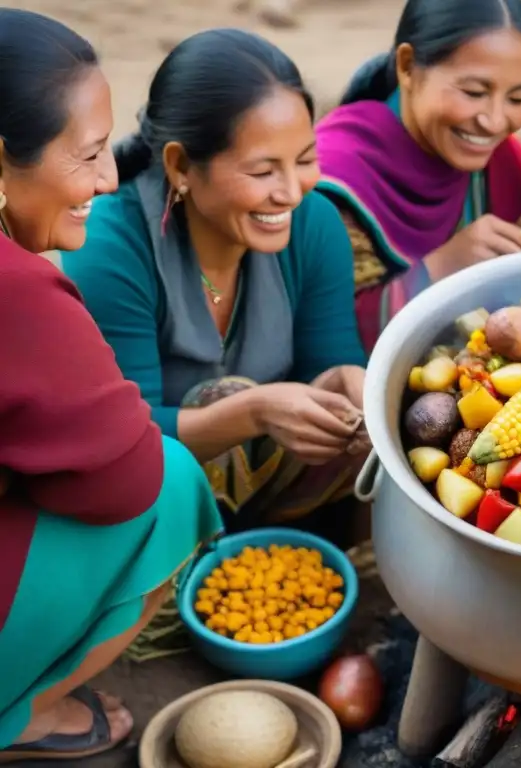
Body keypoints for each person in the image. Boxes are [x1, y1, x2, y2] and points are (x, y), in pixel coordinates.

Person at [0, 10, 221, 761]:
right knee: (173, 488)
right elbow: (124, 484)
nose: (107, 178)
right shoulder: (19, 292)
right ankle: (20, 712)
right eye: (88, 155)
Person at [62, 30, 370, 532]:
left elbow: (330, 358)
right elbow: (121, 438)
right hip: (153, 500)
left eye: (305, 160)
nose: (292, 191)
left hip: (273, 485)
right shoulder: (112, 245)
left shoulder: (315, 224)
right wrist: (251, 413)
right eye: (263, 171)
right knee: (221, 395)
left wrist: (346, 381)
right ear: (181, 166)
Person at [314, 0, 521, 352]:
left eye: (516, 97)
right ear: (407, 67)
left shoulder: (503, 159)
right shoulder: (335, 178)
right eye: (474, 93)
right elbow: (321, 337)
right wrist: (442, 267)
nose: (495, 121)